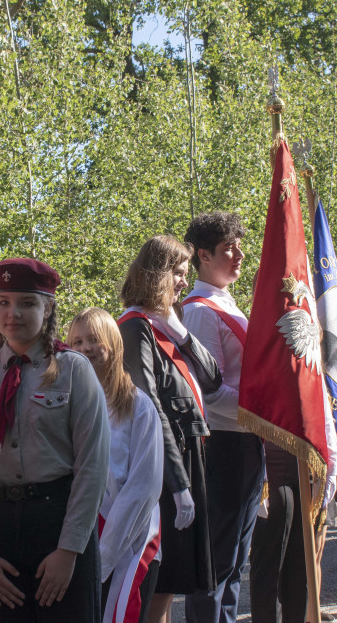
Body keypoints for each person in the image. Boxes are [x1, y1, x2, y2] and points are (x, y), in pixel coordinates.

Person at [0, 258, 110, 622]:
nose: (12, 313)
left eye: (26, 302)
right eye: (3, 302)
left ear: (47, 307)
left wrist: (69, 550)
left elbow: (92, 467)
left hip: (60, 522)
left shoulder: (72, 370)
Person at [118, 235, 222, 623]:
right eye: (177, 273)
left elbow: (213, 379)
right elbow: (150, 409)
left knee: (171, 583)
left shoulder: (164, 325)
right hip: (164, 461)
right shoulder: (134, 327)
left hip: (185, 453)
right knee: (158, 582)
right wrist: (177, 483)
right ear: (156, 275)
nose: (183, 281)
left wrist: (181, 332)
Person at [179, 212, 263, 623]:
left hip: (246, 440)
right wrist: (262, 411)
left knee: (235, 559)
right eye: (229, 248)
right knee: (216, 559)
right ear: (203, 255)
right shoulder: (199, 312)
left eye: (238, 245)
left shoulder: (228, 304)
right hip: (223, 444)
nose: (239, 254)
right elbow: (207, 393)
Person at [68, 307, 163, 623]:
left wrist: (104, 557)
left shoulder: (139, 407)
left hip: (129, 542)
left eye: (93, 339)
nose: (84, 348)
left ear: (113, 343)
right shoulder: (65, 405)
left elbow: (143, 486)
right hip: (79, 543)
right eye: (77, 341)